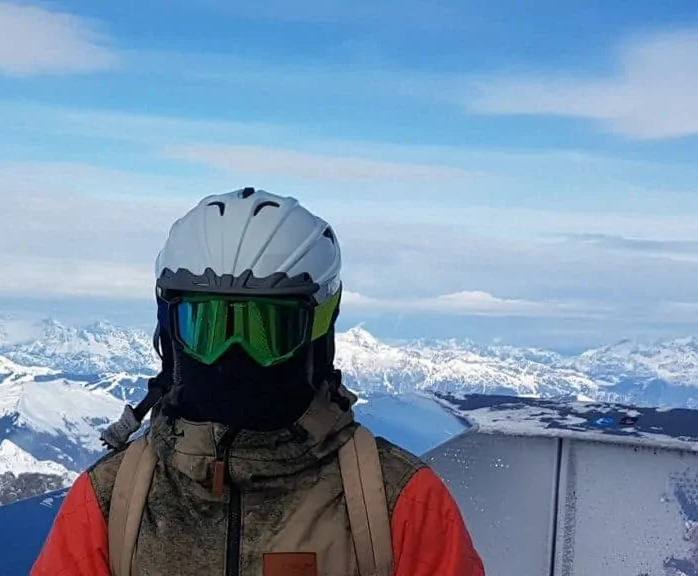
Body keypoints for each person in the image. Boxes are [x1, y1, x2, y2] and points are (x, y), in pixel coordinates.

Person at [30, 187, 484, 576]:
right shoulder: (111, 502)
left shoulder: (397, 503)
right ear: (171, 332)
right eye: (205, 326)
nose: (233, 356)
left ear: (318, 331)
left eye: (268, 330)